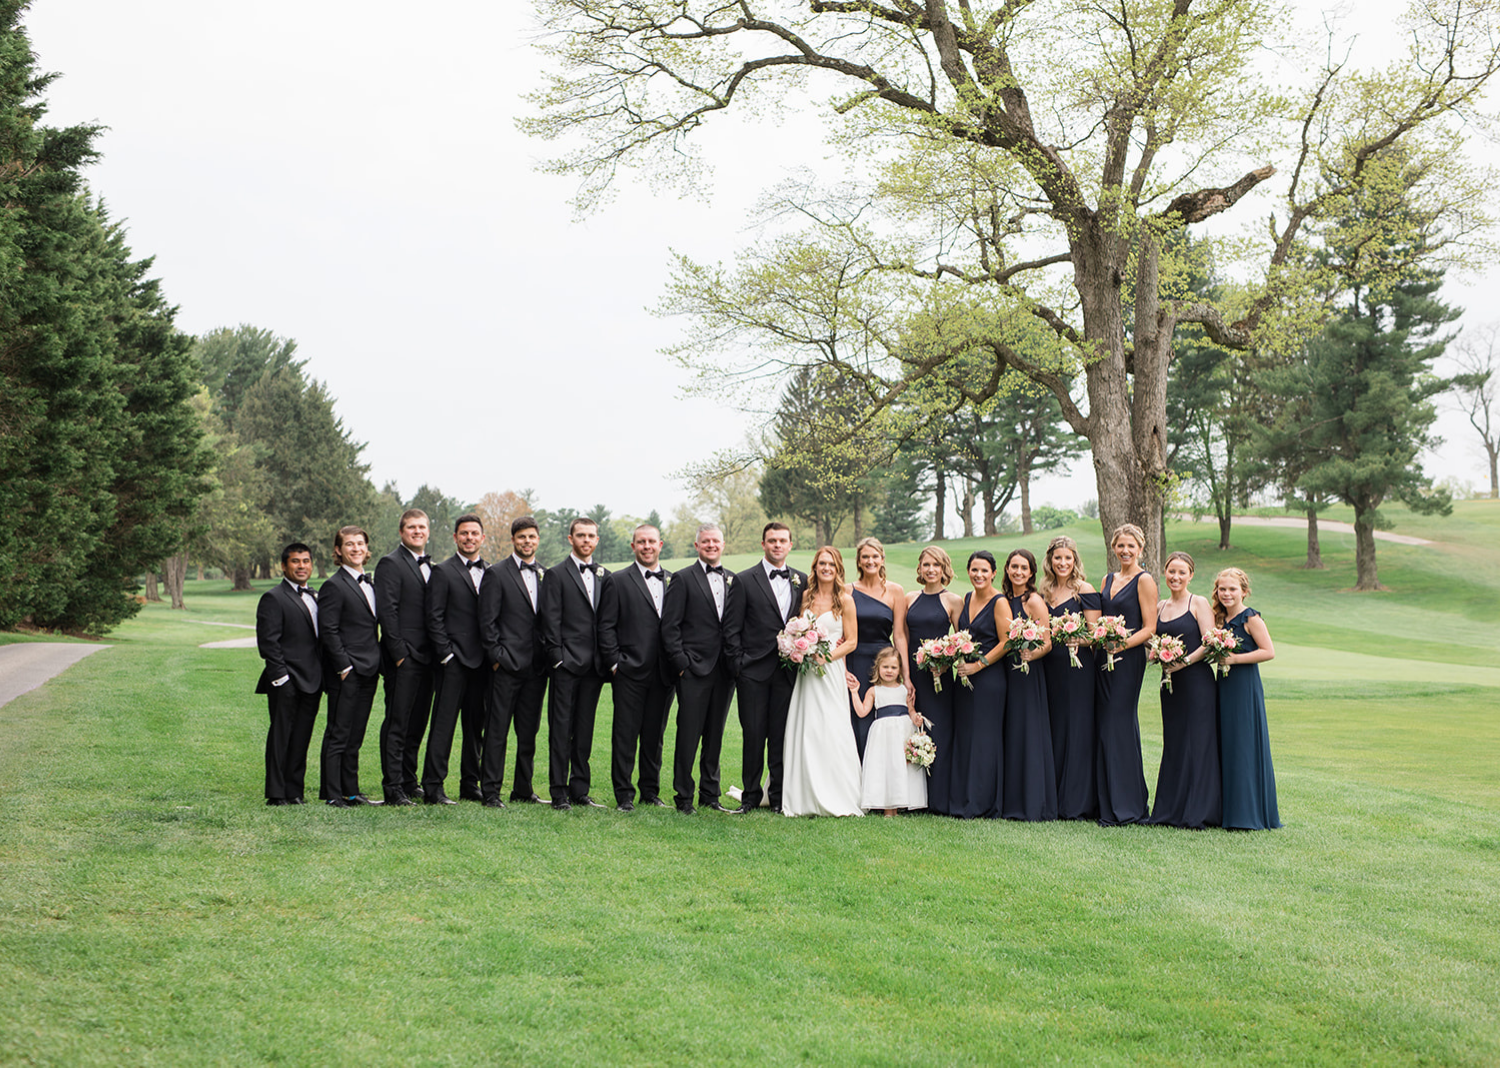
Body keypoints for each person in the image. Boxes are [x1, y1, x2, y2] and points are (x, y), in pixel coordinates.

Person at [723, 521, 807, 814]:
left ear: (790, 545)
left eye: (782, 540)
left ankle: (779, 797)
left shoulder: (802, 580)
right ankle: (750, 797)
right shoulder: (744, 580)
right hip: (752, 673)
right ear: (763, 544)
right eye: (772, 540)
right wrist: (739, 666)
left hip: (788, 672)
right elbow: (731, 628)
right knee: (754, 736)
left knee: (782, 736)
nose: (777, 545)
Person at [597, 524, 676, 811]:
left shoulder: (672, 580)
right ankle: (624, 795)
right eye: (641, 542)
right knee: (625, 734)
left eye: (651, 542)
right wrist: (616, 663)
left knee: (655, 736)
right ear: (633, 547)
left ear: (660, 545)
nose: (646, 546)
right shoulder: (617, 581)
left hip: (663, 673)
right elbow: (605, 627)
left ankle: (650, 792)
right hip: (629, 671)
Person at [781, 546, 864, 817]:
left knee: (831, 726)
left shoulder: (846, 600)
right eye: (822, 563)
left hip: (830, 672)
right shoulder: (805, 597)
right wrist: (798, 648)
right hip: (806, 673)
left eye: (831, 564)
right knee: (807, 727)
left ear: (839, 568)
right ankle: (803, 791)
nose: (826, 568)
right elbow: (796, 628)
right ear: (815, 567)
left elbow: (851, 641)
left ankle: (837, 791)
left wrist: (825, 658)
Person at [659, 524, 737, 814]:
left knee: (715, 735)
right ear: (697, 545)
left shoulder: (732, 580)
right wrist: (681, 664)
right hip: (693, 669)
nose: (711, 545)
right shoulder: (682, 578)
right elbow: (670, 626)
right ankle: (683, 797)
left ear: (723, 544)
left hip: (724, 671)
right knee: (689, 734)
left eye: (716, 541)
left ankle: (710, 794)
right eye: (706, 541)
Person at [538, 516, 611, 810]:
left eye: (591, 536)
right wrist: (558, 660)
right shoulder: (556, 574)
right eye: (581, 535)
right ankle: (558, 792)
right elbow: (549, 621)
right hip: (566, 666)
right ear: (571, 539)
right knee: (560, 730)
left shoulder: (604, 576)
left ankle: (580, 790)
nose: (586, 540)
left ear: (596, 540)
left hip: (593, 669)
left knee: (584, 731)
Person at [477, 516, 549, 808]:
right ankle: (491, 792)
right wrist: (498, 659)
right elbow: (487, 622)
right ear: (513, 540)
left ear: (538, 540)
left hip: (536, 668)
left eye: (531, 537)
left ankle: (523, 788)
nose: (527, 541)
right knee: (497, 730)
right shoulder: (496, 574)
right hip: (506, 667)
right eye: (522, 537)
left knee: (528, 732)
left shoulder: (546, 574)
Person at [1146, 551, 1221, 829]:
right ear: (1164, 574)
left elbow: (1209, 642)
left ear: (1191, 575)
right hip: (1170, 686)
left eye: (1181, 572)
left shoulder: (1198, 602)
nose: (1175, 577)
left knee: (1198, 744)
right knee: (1175, 743)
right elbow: (1151, 639)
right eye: (1171, 571)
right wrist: (1157, 654)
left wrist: (1183, 662)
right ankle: (1169, 811)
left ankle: (1198, 812)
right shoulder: (1160, 606)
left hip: (1197, 683)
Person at [422, 513, 489, 805]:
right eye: (464, 533)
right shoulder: (443, 571)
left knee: (475, 727)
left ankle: (469, 784)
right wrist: (446, 655)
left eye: (474, 533)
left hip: (483, 663)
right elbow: (433, 617)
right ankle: (433, 787)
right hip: (453, 663)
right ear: (455, 537)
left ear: (482, 538)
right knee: (443, 725)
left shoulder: (491, 571)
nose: (469, 538)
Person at [1094, 523, 1156, 826]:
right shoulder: (1107, 579)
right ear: (1113, 548)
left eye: (1131, 546)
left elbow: (1149, 627)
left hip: (1127, 661)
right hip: (1101, 661)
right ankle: (1106, 801)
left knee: (1119, 724)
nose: (1126, 551)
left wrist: (1121, 645)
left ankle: (1128, 805)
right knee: (1104, 727)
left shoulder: (1145, 581)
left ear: (1140, 549)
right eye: (1121, 546)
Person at [317, 526, 382, 808]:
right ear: (338, 551)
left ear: (367, 549)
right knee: (338, 733)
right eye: (349, 544)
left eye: (360, 544)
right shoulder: (333, 585)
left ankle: (352, 792)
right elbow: (328, 630)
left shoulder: (371, 583)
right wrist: (344, 667)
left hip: (370, 669)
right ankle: (333, 794)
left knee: (355, 735)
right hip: (347, 672)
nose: (356, 549)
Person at [374, 508, 435, 806]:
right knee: (397, 723)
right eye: (411, 527)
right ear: (401, 532)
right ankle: (393, 786)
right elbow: (387, 611)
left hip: (429, 659)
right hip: (404, 659)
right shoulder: (390, 563)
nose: (417, 531)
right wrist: (399, 655)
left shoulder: (430, 566)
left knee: (417, 724)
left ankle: (410, 782)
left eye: (421, 527)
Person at [1213, 567, 1281, 831]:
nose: (1227, 594)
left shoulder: (1250, 618)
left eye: (1232, 589)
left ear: (1244, 591)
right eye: (1222, 589)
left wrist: (1235, 659)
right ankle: (1225, 810)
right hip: (1223, 686)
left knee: (1243, 745)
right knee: (1226, 743)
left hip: (1244, 687)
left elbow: (1269, 651)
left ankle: (1246, 814)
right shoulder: (1218, 619)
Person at [255, 542, 323, 806]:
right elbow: (268, 643)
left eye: (306, 561)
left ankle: (295, 791)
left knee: (302, 737)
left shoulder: (315, 595)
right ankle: (276, 793)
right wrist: (281, 678)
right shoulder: (273, 597)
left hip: (313, 681)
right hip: (286, 680)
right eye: (295, 561)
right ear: (284, 566)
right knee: (281, 736)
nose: (302, 566)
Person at [1039, 536, 1100, 820]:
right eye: (1057, 558)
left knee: (1077, 728)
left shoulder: (1083, 590)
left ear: (1075, 560)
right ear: (1050, 560)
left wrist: (1075, 638)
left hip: (1077, 669)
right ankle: (1053, 795)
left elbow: (1095, 633)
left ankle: (1076, 801)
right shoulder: (1044, 591)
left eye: (1068, 558)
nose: (1063, 563)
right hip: (1049, 668)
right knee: (1055, 727)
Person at [951, 550, 1014, 819]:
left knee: (985, 740)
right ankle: (964, 800)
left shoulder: (999, 602)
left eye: (984, 571)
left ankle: (984, 803)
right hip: (964, 678)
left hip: (989, 678)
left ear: (994, 573)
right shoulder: (966, 599)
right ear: (968, 572)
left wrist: (978, 665)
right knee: (966, 737)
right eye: (974, 570)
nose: (978, 575)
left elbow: (1007, 641)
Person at [904, 546, 963, 815]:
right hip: (914, 676)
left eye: (936, 565)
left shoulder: (952, 600)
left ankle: (940, 798)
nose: (930, 569)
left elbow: (963, 644)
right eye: (926, 564)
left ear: (944, 569)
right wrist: (906, 677)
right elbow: (902, 638)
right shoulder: (909, 598)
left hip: (940, 678)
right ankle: (915, 797)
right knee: (913, 730)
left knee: (940, 732)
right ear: (919, 568)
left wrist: (944, 663)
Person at [1000, 549, 1057, 821]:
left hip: (1026, 673)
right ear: (1007, 569)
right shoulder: (1002, 599)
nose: (1018, 572)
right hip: (1004, 671)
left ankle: (1032, 801)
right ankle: (1008, 799)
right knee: (1009, 732)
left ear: (1032, 572)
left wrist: (1030, 654)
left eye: (1024, 567)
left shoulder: (1032, 600)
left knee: (1027, 732)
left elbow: (1047, 641)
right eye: (1014, 567)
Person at [846, 536, 909, 761]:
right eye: (865, 557)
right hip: (855, 659)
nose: (870, 561)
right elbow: (843, 636)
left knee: (884, 718)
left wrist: (906, 675)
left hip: (885, 661)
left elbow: (900, 635)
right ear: (859, 561)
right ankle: (859, 777)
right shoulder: (847, 590)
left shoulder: (895, 591)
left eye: (875, 556)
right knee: (858, 719)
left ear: (882, 559)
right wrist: (844, 670)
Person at [848, 646, 927, 816]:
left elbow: (911, 710)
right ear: (878, 668)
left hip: (903, 733)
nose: (889, 671)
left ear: (900, 670)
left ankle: (899, 805)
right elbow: (862, 711)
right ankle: (887, 807)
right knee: (886, 767)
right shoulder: (874, 691)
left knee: (900, 767)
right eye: (885, 667)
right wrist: (854, 692)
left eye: (893, 667)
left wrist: (916, 719)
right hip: (883, 735)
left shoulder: (905, 690)